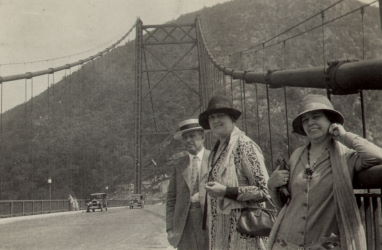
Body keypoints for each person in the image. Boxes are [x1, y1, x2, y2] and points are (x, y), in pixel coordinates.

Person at [267, 94, 382, 250]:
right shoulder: (296, 156)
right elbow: (285, 203)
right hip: (286, 242)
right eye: (305, 120)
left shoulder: (346, 156)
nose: (310, 123)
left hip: (324, 244)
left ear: (330, 121)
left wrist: (344, 135)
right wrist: (272, 185)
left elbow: (377, 156)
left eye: (316, 117)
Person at [199, 95, 269, 250]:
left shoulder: (244, 146)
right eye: (212, 117)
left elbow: (264, 190)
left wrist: (225, 191)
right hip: (220, 235)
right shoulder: (216, 151)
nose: (216, 121)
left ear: (232, 118)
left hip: (244, 234)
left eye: (221, 115)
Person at [166, 118, 210, 250]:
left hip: (208, 223)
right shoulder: (179, 165)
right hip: (184, 226)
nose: (188, 140)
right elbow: (171, 199)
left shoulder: (215, 158)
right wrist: (169, 229)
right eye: (185, 138)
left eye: (192, 136)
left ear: (202, 137)